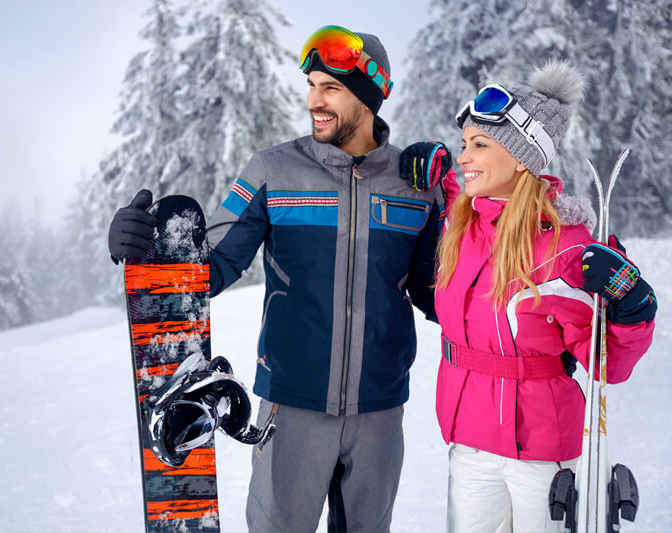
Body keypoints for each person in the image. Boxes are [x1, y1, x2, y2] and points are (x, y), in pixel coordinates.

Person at [108, 25, 441, 532]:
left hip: (380, 411)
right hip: (292, 409)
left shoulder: (414, 184)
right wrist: (148, 246)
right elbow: (209, 266)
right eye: (311, 85)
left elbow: (441, 294)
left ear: (370, 96)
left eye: (331, 88)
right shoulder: (273, 170)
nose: (314, 100)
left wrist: (464, 200)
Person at [401, 61, 657, 532]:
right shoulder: (461, 231)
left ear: (521, 157)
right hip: (469, 446)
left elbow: (606, 365)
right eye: (463, 145)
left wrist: (632, 304)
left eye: (479, 145)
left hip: (543, 454)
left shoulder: (566, 245)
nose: (464, 157)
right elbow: (435, 299)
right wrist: (430, 175)